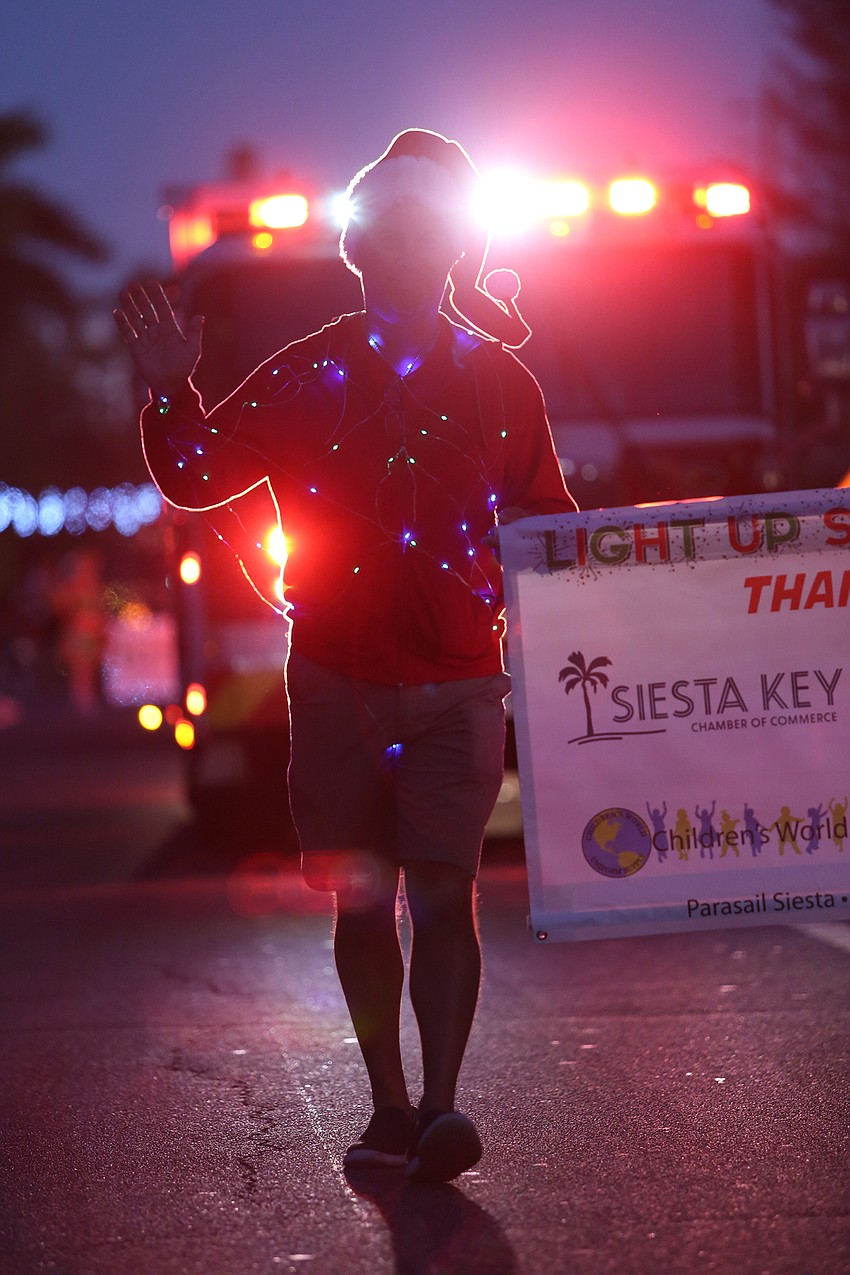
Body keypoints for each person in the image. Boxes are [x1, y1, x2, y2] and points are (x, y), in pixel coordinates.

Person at [114, 128, 577, 1184]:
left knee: (445, 889)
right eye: (389, 231)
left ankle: (446, 1110)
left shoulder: (507, 387)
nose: (408, 249)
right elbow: (196, 475)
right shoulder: (306, 371)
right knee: (361, 899)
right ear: (359, 250)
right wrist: (169, 392)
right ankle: (388, 1111)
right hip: (335, 686)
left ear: (451, 248)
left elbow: (549, 526)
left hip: (461, 684)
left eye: (427, 232)